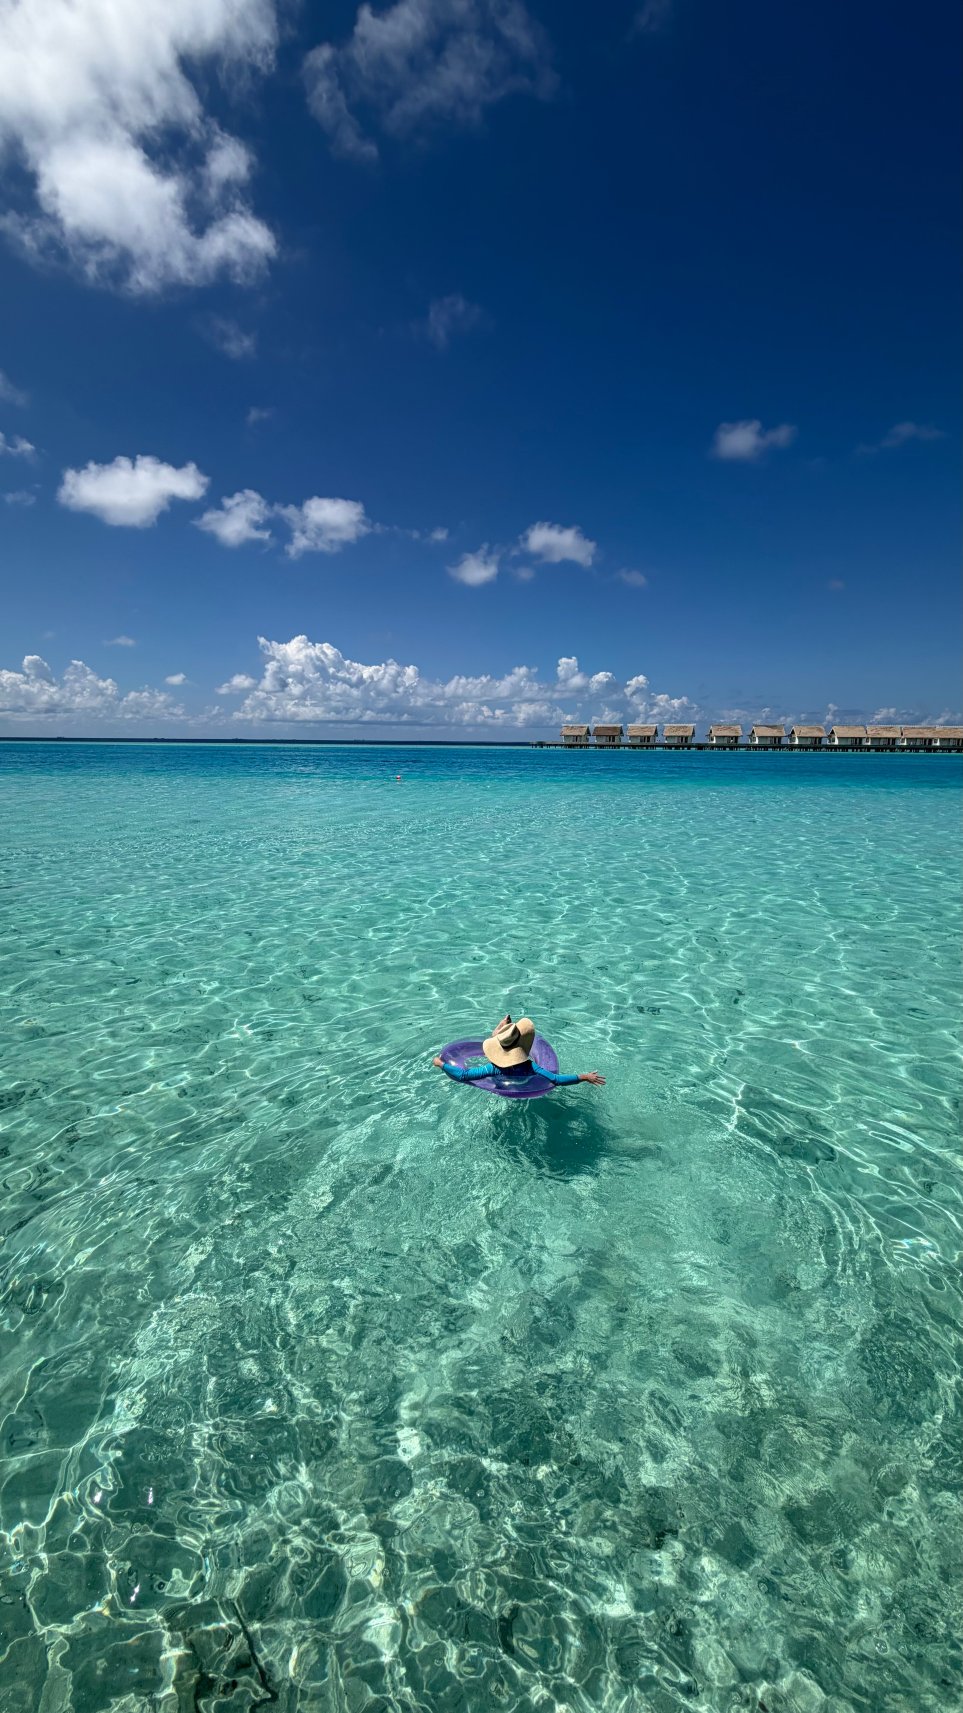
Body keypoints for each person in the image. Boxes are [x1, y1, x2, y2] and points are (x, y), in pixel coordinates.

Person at [433, 1015, 605, 1087]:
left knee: (495, 1038)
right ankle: (505, 1030)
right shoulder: (530, 1067)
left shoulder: (492, 1068)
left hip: (500, 1083)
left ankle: (501, 1030)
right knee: (500, 1038)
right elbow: (556, 1080)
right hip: (523, 1084)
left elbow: (463, 1075)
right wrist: (584, 1077)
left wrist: (441, 1064)